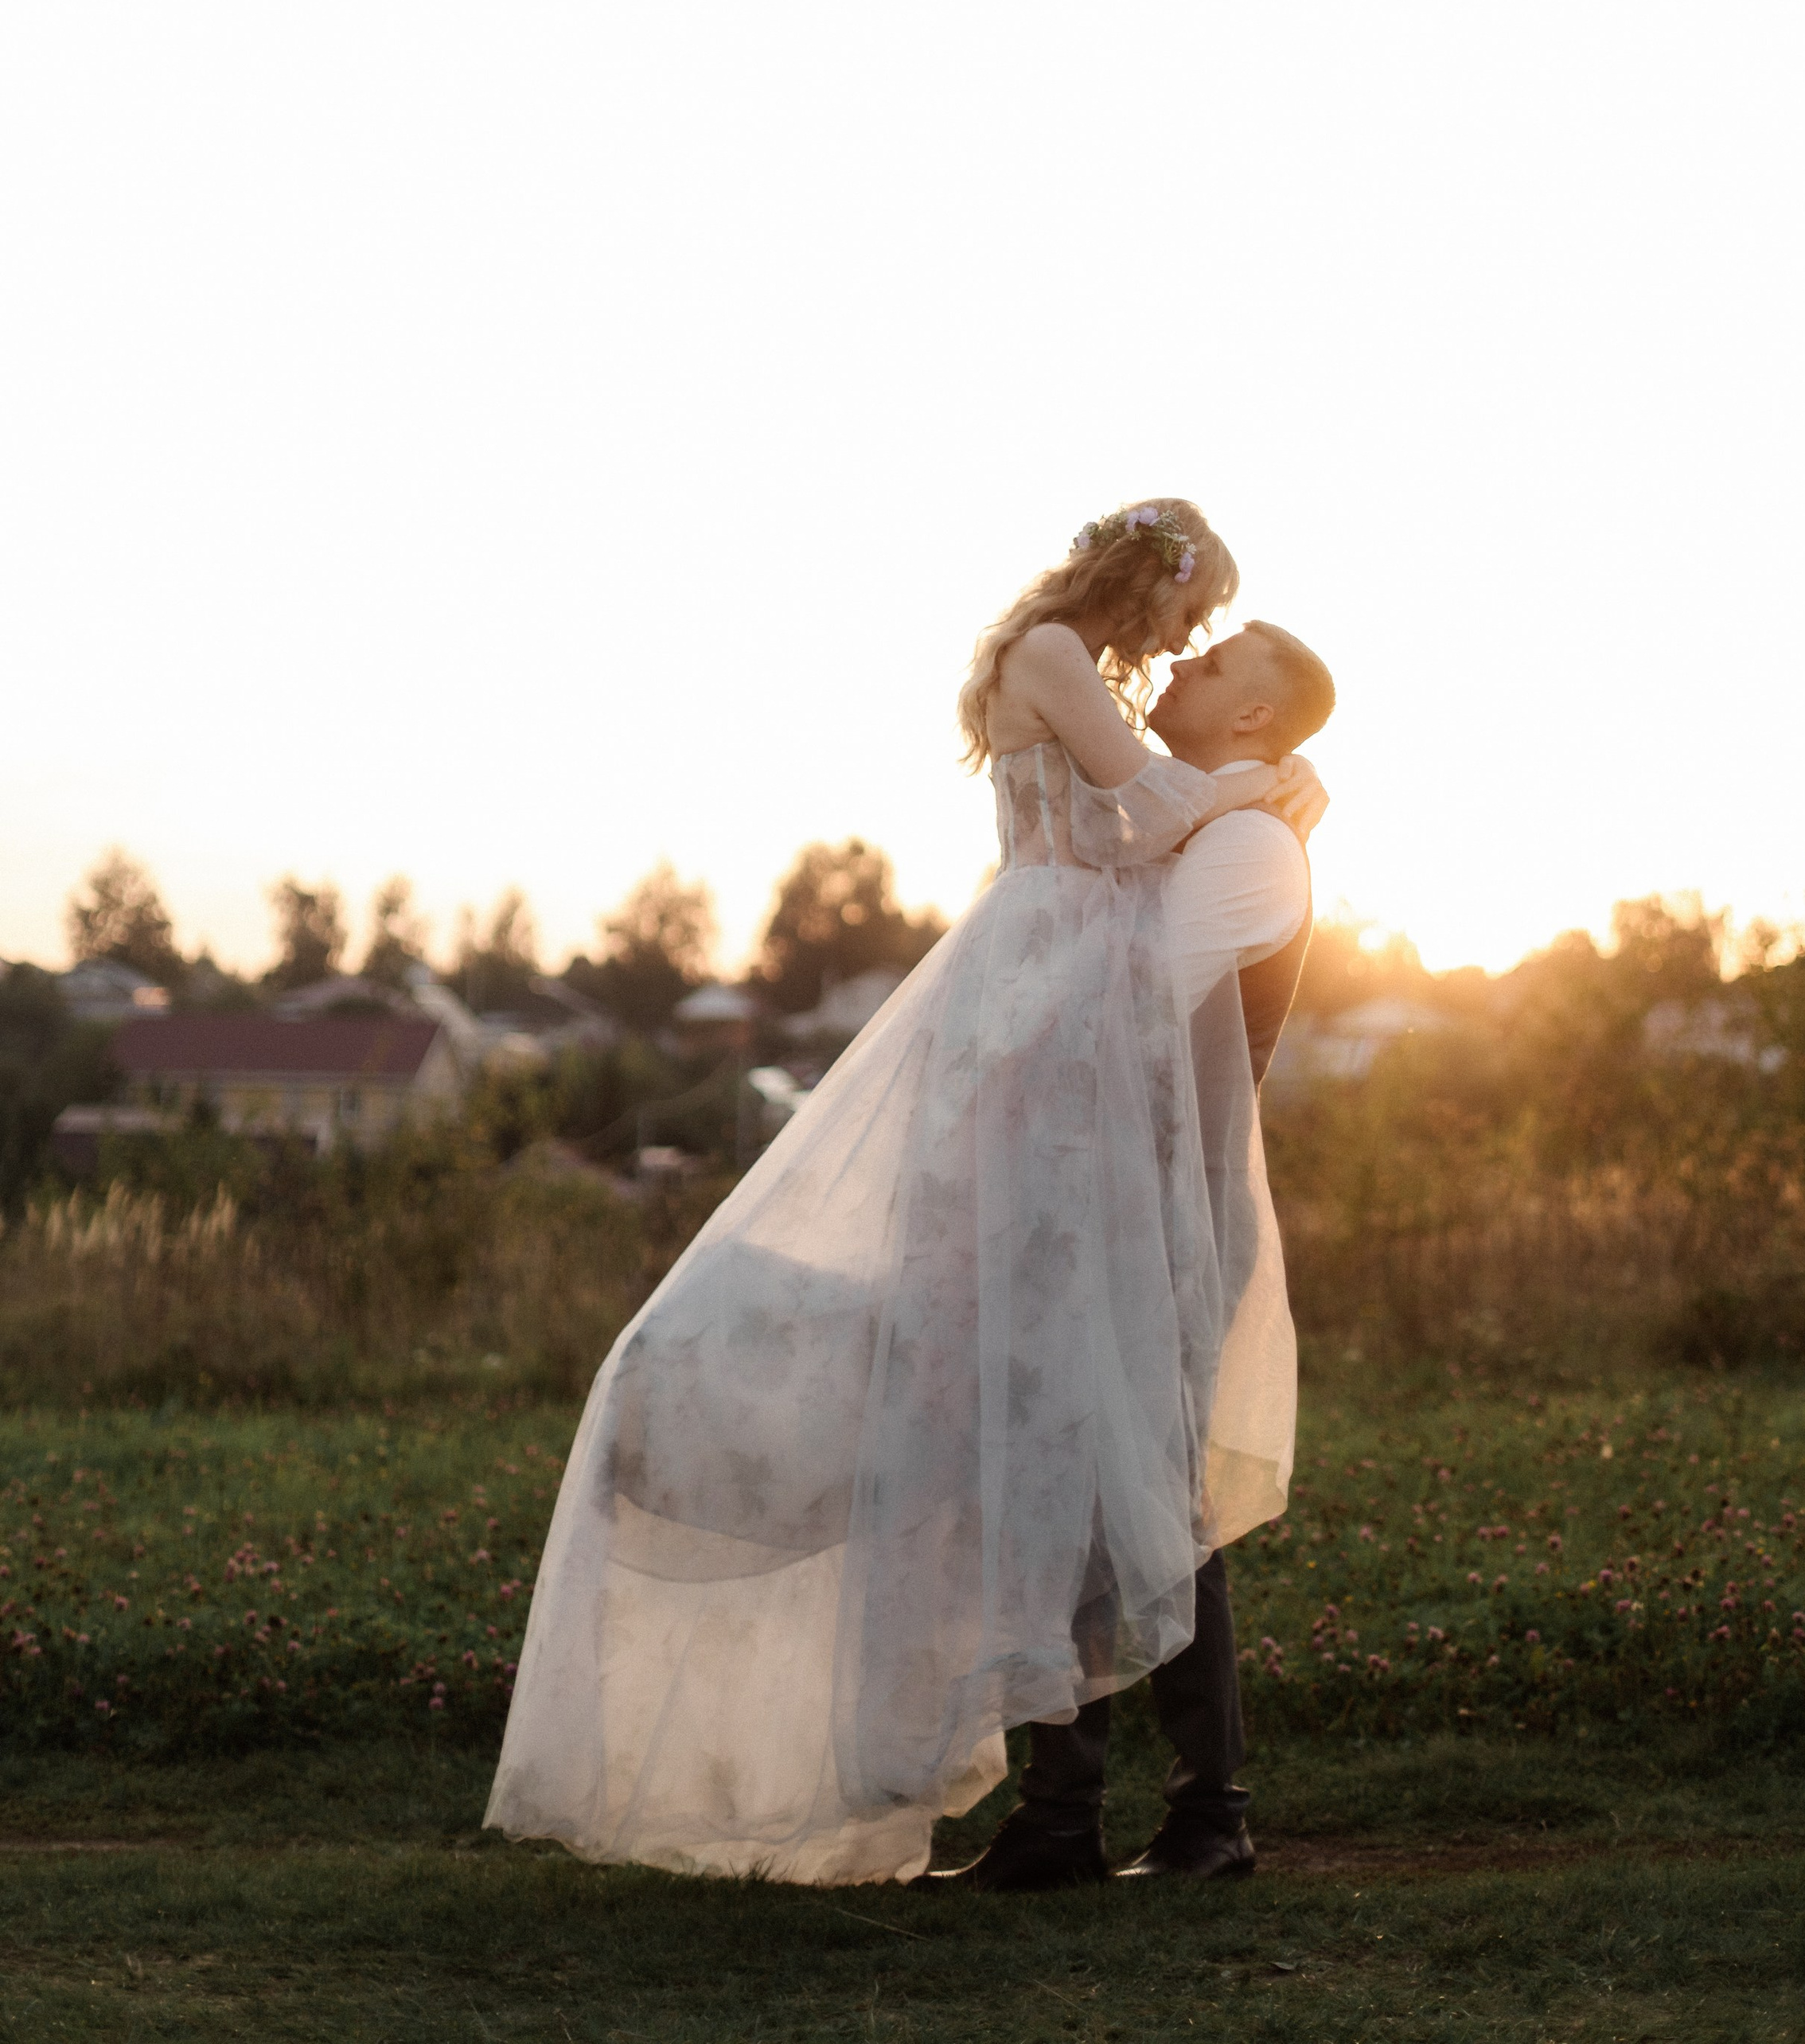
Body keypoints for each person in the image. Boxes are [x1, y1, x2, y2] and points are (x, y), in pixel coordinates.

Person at [486, 499, 1320, 1886]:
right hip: (1041, 990)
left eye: (1210, 639)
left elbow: (1163, 854)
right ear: (1146, 578)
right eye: (1192, 610)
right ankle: (1083, 1808)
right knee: (1045, 1442)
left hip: (1070, 1035)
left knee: (1104, 1464)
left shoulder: (1139, 741)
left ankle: (1141, 1811)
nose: (1186, 641)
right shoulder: (1058, 656)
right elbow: (1153, 804)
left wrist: (1268, 786)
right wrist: (1272, 779)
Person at [925, 617, 1335, 1890]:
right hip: (1086, 1207)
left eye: (1217, 670)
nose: (1180, 668)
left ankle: (1205, 1814)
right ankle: (1070, 1818)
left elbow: (1136, 1001)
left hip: (1163, 1225)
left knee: (1158, 1509)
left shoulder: (1255, 849)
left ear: (1256, 720)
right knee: (1076, 1497)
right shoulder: (1204, 822)